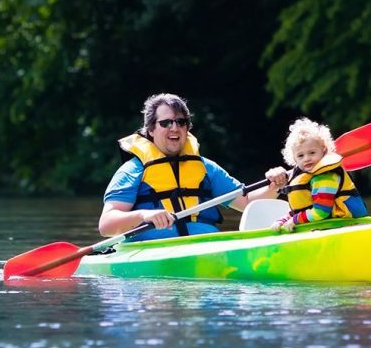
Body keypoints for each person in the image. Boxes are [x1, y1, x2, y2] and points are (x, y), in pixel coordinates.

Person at [98, 93, 288, 241]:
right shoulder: (132, 171)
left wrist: (275, 184)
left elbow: (247, 202)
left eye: (181, 122)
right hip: (153, 257)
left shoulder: (205, 168)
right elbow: (106, 225)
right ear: (150, 130)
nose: (174, 128)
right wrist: (143, 215)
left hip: (204, 247)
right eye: (166, 123)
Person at [272, 117, 368, 232]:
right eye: (300, 156)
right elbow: (301, 209)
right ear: (294, 158)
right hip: (326, 226)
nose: (307, 159)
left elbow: (321, 212)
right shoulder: (302, 176)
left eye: (312, 152)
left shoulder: (326, 176)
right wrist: (284, 220)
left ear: (323, 150)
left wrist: (294, 220)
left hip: (348, 225)